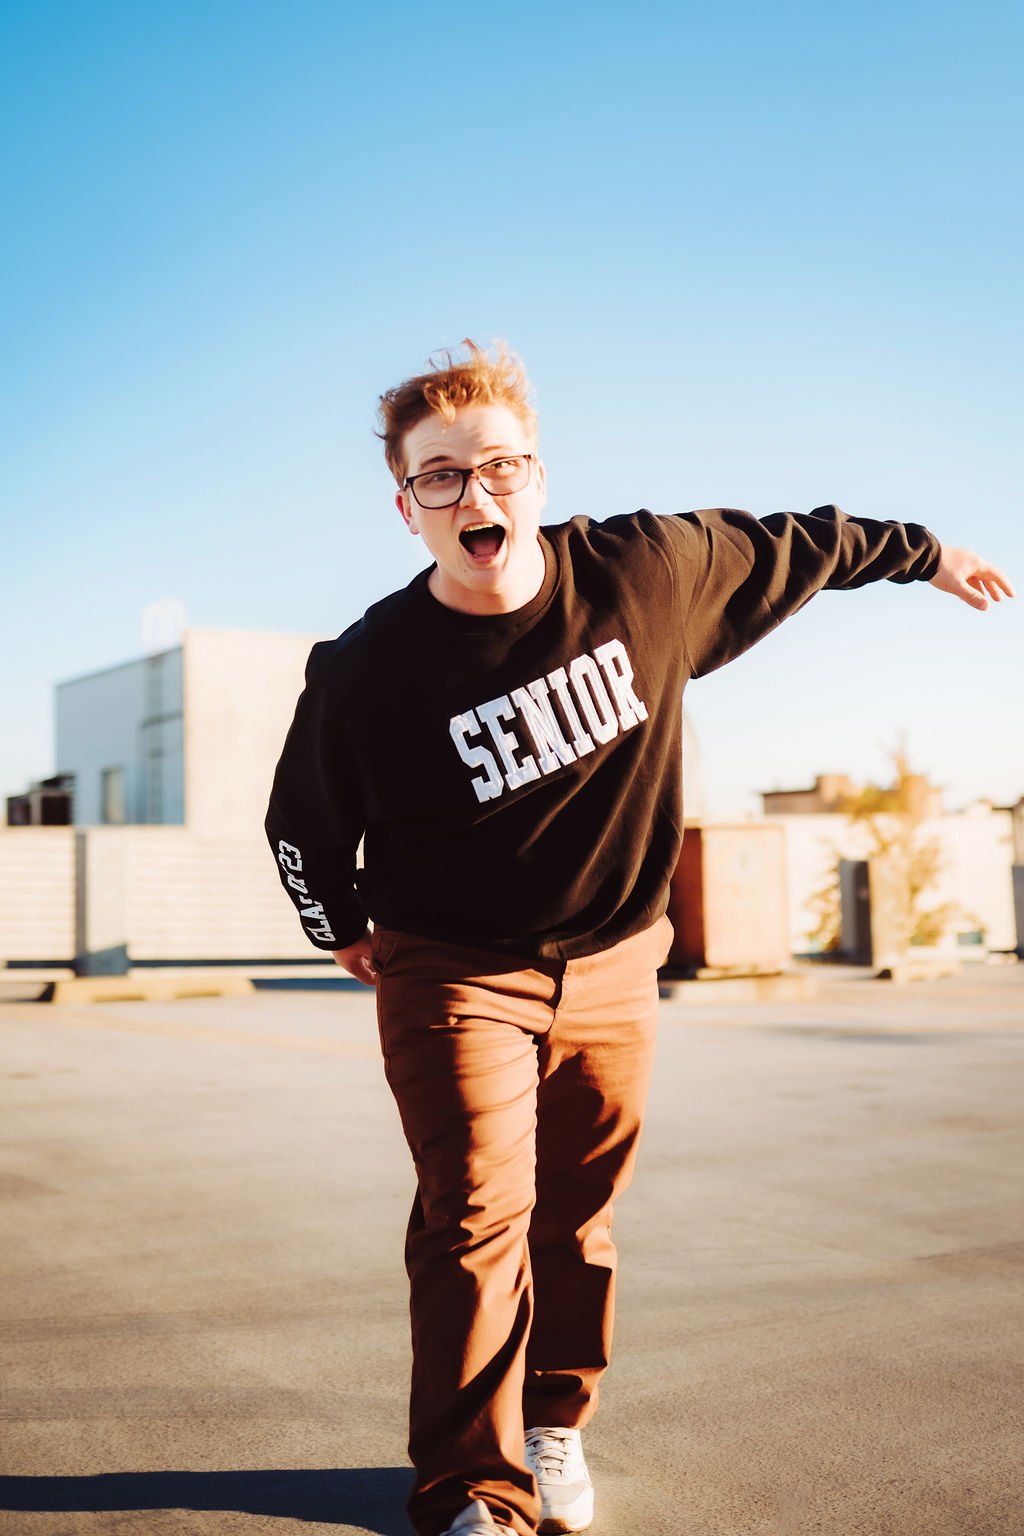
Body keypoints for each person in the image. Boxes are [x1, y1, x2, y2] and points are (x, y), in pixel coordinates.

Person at [265, 340, 1013, 1536]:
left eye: (498, 467)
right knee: (473, 1217)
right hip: (458, 970)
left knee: (578, 1210)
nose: (478, 496)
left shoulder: (650, 571)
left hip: (618, 959)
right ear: (406, 510)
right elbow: (300, 822)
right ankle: (474, 1488)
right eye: (442, 479)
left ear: (539, 477)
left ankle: (553, 1425)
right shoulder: (364, 672)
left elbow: (800, 541)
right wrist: (341, 932)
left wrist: (926, 556)